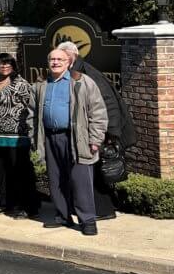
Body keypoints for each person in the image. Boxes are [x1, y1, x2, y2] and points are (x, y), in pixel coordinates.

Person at [55, 40, 136, 221]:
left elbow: (109, 103)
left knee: (97, 171)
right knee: (90, 170)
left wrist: (111, 135)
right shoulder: (72, 72)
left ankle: (103, 210)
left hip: (100, 132)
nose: (58, 61)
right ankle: (94, 208)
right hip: (87, 131)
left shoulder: (87, 73)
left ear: (72, 56)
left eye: (63, 57)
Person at [35, 49, 108, 235]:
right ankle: (62, 216)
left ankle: (88, 220)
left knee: (80, 181)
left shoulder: (82, 82)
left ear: (69, 62)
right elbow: (31, 112)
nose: (55, 62)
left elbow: (98, 112)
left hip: (77, 138)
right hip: (51, 137)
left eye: (60, 59)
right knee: (56, 179)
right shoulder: (42, 83)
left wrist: (95, 139)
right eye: (52, 59)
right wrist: (33, 135)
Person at [0, 52, 40, 218]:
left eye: (8, 63)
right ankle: (6, 203)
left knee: (19, 172)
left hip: (17, 136)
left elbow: (32, 105)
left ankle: (26, 206)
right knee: (1, 173)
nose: (5, 66)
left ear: (13, 66)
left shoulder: (20, 84)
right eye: (1, 63)